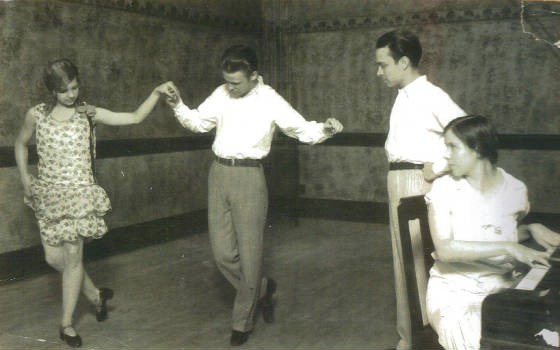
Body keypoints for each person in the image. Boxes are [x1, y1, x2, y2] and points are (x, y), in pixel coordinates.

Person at [162, 44, 343, 346]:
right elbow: (197, 122)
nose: (230, 88)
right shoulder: (221, 93)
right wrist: (177, 103)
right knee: (222, 255)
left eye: (236, 82)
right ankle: (261, 287)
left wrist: (325, 128)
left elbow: (300, 129)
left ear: (254, 76)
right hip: (219, 174)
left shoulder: (269, 98)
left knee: (250, 255)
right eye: (227, 81)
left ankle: (242, 321)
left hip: (249, 178)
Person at [14, 58, 170, 348]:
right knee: (53, 259)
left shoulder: (89, 114)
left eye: (74, 87)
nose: (71, 94)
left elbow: (134, 117)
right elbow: (20, 144)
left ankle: (66, 324)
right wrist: (25, 180)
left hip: (79, 197)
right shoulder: (36, 115)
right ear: (52, 91)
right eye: (64, 91)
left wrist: (157, 92)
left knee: (73, 260)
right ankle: (96, 296)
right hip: (47, 194)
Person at [426, 115, 560, 350]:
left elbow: (495, 233)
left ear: (476, 148)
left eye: (452, 146)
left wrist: (530, 228)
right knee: (502, 341)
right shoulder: (444, 189)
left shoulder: (515, 189)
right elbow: (445, 249)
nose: (445, 155)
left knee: (542, 334)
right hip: (456, 293)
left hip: (503, 288)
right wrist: (509, 248)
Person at [374, 29, 467, 350]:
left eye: (383, 64)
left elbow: (468, 133)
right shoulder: (404, 96)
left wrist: (439, 165)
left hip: (418, 182)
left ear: (403, 62)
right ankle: (410, 337)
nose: (379, 72)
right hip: (398, 180)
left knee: (420, 262)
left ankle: (426, 339)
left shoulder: (430, 95)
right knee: (404, 262)